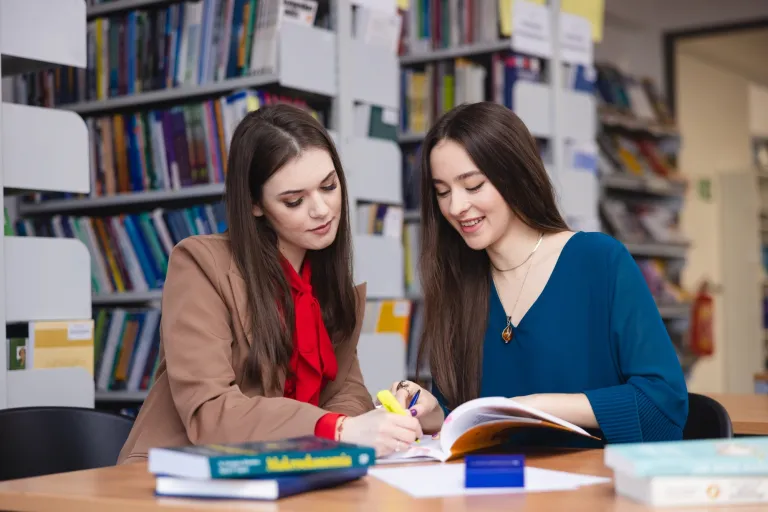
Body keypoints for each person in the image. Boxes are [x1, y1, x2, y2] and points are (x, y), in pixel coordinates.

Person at [117, 103, 421, 464]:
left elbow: (348, 390)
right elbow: (211, 413)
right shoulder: (200, 265)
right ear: (255, 204)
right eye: (294, 200)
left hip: (287, 467)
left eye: (329, 186)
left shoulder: (324, 275)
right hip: (181, 475)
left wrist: (355, 424)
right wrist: (337, 429)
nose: (322, 210)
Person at [391, 101, 688, 445]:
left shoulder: (600, 261)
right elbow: (467, 414)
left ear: (514, 176)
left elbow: (663, 406)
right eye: (442, 192)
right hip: (494, 492)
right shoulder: (460, 283)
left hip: (595, 489)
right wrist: (433, 414)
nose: (456, 207)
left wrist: (535, 408)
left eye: (473, 186)